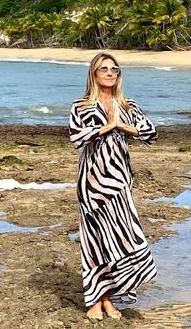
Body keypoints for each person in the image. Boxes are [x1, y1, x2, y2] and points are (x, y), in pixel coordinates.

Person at [68, 52, 158, 321]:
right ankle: (98, 301)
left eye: (114, 69)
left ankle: (111, 296)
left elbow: (151, 133)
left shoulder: (129, 106)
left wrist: (122, 125)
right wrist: (107, 127)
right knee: (95, 242)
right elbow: (76, 137)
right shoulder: (81, 106)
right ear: (93, 74)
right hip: (92, 182)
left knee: (122, 239)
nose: (109, 73)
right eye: (103, 69)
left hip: (119, 182)